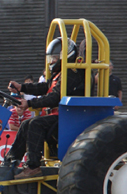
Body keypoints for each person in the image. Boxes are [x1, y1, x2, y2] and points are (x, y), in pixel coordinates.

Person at [6, 37, 85, 178]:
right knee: (25, 124)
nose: (52, 61)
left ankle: (33, 166)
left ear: (65, 56)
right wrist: (22, 87)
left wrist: (30, 104)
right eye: (51, 58)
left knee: (36, 124)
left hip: (69, 117)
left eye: (55, 58)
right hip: (60, 115)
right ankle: (11, 161)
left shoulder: (72, 74)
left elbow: (55, 97)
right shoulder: (60, 74)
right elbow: (44, 87)